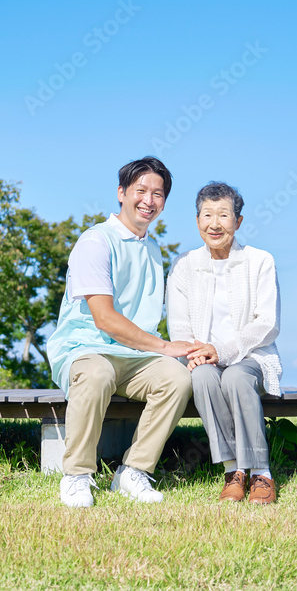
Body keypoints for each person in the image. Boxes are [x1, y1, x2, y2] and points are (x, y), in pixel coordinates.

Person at [47, 156, 198, 508]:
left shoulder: (153, 250)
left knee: (177, 380)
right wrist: (165, 346)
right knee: (97, 373)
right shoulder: (96, 241)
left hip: (133, 357)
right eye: (140, 190)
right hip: (85, 349)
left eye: (158, 194)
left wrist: (181, 350)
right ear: (121, 193)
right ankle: (77, 476)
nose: (149, 200)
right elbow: (105, 319)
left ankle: (133, 472)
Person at [166, 181, 283, 504]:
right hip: (202, 359)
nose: (214, 224)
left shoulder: (260, 261)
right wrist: (195, 352)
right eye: (207, 215)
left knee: (234, 376)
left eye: (223, 215)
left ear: (238, 221)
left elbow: (267, 324)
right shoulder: (183, 266)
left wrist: (223, 350)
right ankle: (233, 471)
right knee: (203, 377)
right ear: (197, 221)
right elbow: (178, 325)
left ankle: (261, 472)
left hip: (251, 356)